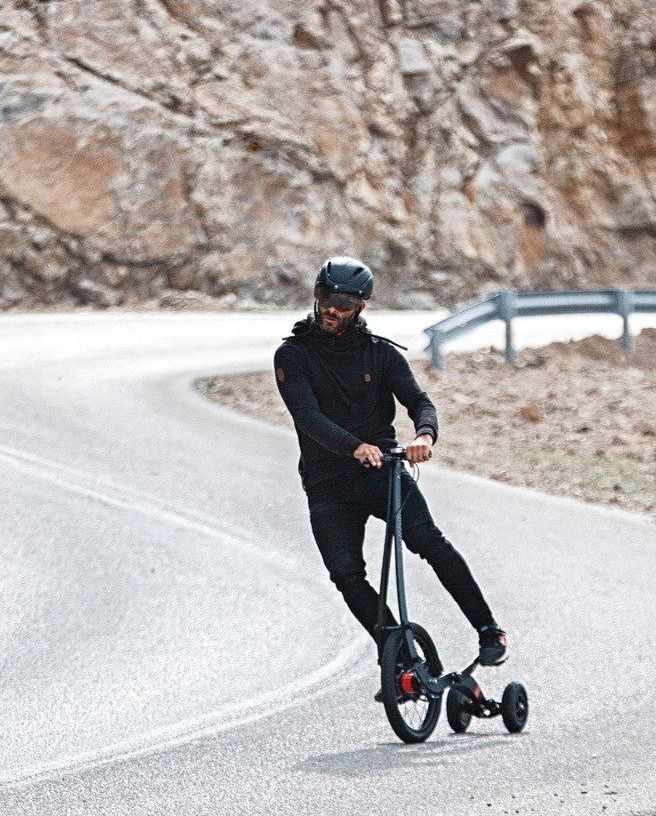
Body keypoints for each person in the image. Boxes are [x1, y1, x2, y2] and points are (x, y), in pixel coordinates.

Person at [273, 257, 507, 699]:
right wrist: (353, 447)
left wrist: (424, 433)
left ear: (360, 306)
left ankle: (489, 631)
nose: (331, 309)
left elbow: (420, 401)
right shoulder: (292, 355)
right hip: (328, 483)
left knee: (428, 542)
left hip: (384, 474)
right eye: (325, 298)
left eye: (342, 302)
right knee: (345, 574)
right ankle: (397, 657)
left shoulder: (380, 354)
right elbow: (306, 417)